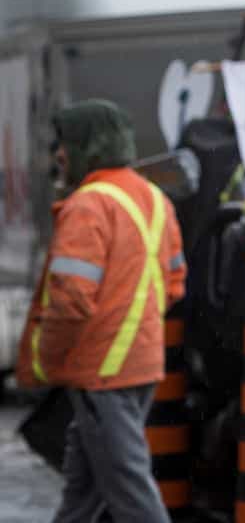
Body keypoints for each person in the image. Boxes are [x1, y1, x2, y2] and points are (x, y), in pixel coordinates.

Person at [16, 99, 187, 523]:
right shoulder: (155, 198)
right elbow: (175, 283)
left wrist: (47, 364)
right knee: (86, 488)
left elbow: (70, 300)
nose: (58, 154)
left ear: (86, 148)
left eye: (65, 144)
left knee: (130, 490)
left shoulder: (88, 206)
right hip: (139, 365)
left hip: (101, 372)